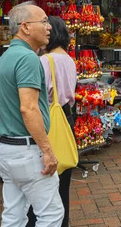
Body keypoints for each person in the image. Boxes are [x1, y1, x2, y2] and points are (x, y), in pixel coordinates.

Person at [0, 1, 64, 226]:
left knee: (13, 215)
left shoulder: (3, 59)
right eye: (43, 21)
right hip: (26, 150)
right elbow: (28, 107)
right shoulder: (27, 58)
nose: (49, 26)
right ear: (25, 27)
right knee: (51, 215)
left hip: (6, 149)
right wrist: (47, 150)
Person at [27, 17, 77, 227]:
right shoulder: (68, 59)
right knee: (63, 179)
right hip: (67, 118)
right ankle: (63, 221)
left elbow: (37, 96)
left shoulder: (44, 61)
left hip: (49, 119)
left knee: (42, 177)